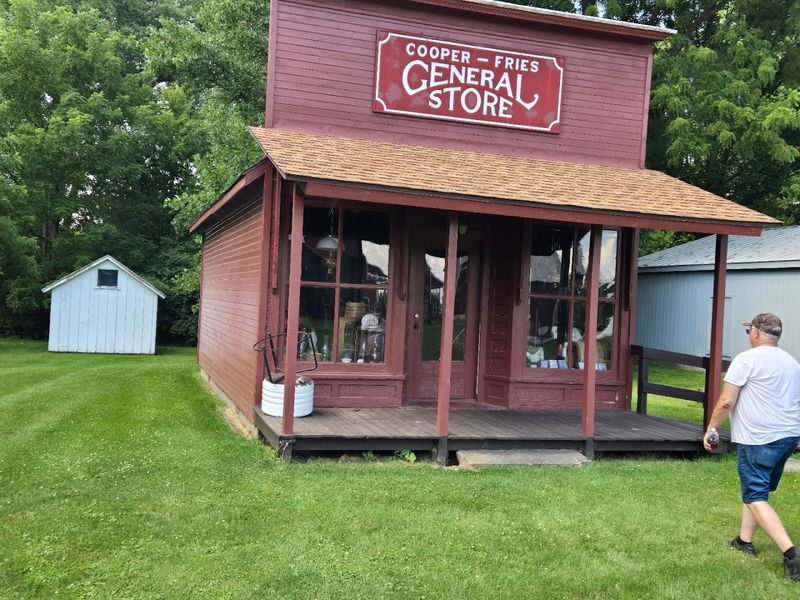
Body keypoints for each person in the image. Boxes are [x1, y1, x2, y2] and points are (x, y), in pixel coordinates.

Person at [703, 312, 800, 580]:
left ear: (756, 333)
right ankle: (744, 542)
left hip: (759, 439)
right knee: (756, 491)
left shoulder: (745, 360)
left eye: (749, 331)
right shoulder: (791, 362)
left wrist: (712, 429)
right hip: (788, 436)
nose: (748, 335)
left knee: (755, 495)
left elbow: (726, 401)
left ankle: (792, 555)